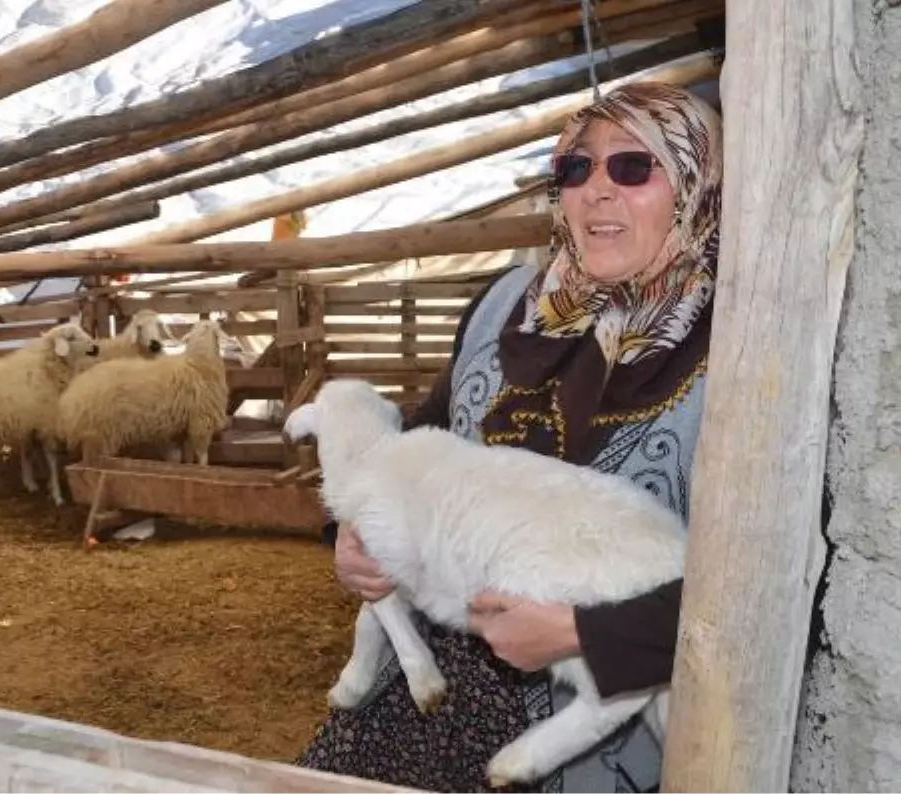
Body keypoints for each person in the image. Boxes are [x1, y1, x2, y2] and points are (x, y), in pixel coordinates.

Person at [296, 81, 723, 794]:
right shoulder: (505, 306)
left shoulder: (744, 358)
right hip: (431, 704)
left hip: (603, 721)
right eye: (576, 168)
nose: (596, 192)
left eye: (632, 166)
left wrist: (587, 635)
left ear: (697, 180)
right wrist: (349, 537)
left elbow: (774, 580)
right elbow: (408, 449)